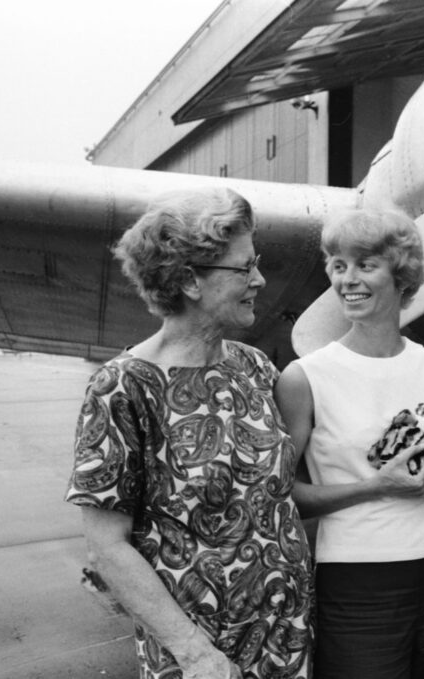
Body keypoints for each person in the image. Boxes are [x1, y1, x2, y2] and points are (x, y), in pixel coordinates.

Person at [64, 188, 313, 679]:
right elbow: (107, 547)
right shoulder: (123, 387)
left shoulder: (254, 367)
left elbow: (278, 501)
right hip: (201, 659)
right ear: (188, 281)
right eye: (244, 269)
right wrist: (195, 654)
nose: (260, 280)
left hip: (287, 639)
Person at [275, 209, 424, 679]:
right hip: (360, 581)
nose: (348, 280)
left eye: (365, 265)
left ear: (401, 275)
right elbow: (283, 494)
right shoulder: (305, 377)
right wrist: (379, 486)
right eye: (338, 265)